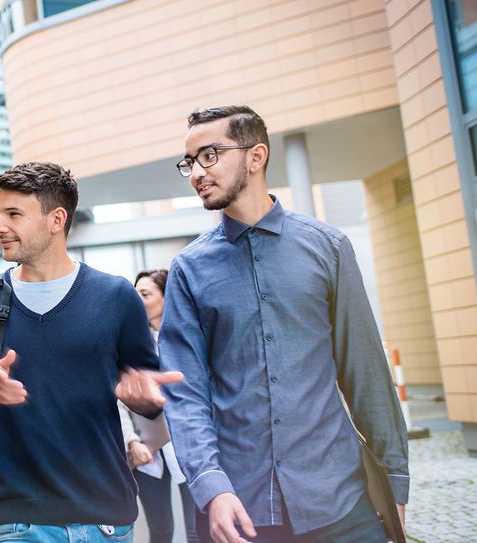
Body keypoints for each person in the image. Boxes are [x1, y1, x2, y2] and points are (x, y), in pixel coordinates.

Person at [158, 106, 409, 543]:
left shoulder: (328, 247)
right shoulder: (188, 269)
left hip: (341, 501)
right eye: (190, 161)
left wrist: (395, 483)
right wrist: (211, 488)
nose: (197, 171)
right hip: (240, 511)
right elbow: (186, 394)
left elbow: (365, 372)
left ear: (256, 156)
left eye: (210, 155)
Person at [0, 162, 182, 542]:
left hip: (108, 521)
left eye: (14, 214)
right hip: (17, 521)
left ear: (56, 219)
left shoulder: (116, 298)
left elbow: (150, 396)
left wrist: (145, 397)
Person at [117, 269, 198, 543]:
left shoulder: (187, 339)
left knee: (198, 528)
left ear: (166, 297)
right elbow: (118, 399)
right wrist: (131, 442)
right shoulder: (127, 343)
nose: (138, 301)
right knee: (160, 531)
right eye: (135, 294)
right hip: (146, 450)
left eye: (146, 294)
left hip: (190, 447)